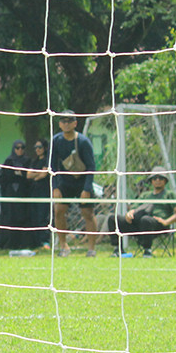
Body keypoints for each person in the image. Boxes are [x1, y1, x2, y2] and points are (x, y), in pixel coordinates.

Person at [105, 166, 176, 258]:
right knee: (112, 218)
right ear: (151, 181)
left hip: (158, 224)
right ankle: (118, 250)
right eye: (155, 178)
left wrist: (167, 221)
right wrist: (129, 214)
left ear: (165, 180)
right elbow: (134, 208)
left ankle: (147, 251)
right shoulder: (145, 195)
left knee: (146, 220)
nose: (157, 180)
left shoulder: (170, 194)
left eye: (160, 178)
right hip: (138, 223)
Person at [50, 110, 98, 257]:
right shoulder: (56, 141)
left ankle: (91, 248)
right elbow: (52, 166)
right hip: (65, 181)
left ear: (75, 123)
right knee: (58, 210)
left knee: (87, 213)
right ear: (59, 124)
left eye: (69, 121)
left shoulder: (83, 142)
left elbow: (91, 167)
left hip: (82, 181)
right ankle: (64, 246)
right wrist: (55, 187)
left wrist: (87, 189)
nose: (66, 124)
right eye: (63, 121)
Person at [0, 140, 32, 250]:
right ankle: (10, 243)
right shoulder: (9, 161)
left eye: (22, 147)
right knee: (9, 219)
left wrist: (21, 175)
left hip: (23, 195)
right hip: (10, 195)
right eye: (17, 148)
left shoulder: (28, 161)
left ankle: (24, 243)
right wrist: (17, 174)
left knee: (23, 218)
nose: (20, 150)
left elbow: (28, 178)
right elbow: (4, 178)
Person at [26, 138, 52, 249]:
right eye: (35, 147)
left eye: (40, 147)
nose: (37, 149)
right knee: (35, 217)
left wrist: (36, 175)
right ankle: (36, 242)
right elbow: (28, 175)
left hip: (44, 192)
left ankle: (45, 241)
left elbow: (44, 175)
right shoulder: (34, 161)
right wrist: (38, 173)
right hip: (34, 192)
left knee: (43, 217)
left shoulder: (47, 160)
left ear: (45, 148)